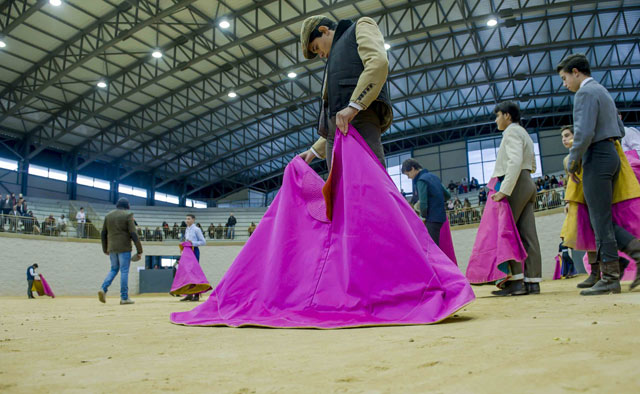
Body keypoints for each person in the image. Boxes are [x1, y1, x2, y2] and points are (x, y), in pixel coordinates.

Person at [558, 53, 640, 295]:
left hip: (597, 156)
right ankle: (624, 260)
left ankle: (611, 278)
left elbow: (582, 133)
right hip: (612, 154)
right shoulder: (602, 90)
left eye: (564, 78)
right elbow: (621, 128)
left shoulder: (584, 93)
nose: (564, 84)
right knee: (602, 219)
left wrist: (573, 163)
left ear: (576, 72)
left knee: (599, 220)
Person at [297, 15, 392, 170]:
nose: (320, 54)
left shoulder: (360, 26)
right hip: (338, 133)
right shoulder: (333, 63)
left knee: (370, 183)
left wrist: (354, 105)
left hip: (360, 118)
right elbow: (337, 119)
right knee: (340, 191)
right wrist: (313, 151)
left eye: (316, 47)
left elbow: (377, 62)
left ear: (324, 30)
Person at [559, 125, 639, 290]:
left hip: (595, 181)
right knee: (592, 227)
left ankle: (622, 261)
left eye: (568, 135)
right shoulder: (570, 157)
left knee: (599, 223)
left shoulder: (581, 150)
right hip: (588, 188)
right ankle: (603, 269)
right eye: (563, 136)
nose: (564, 139)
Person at [489, 101, 542, 296]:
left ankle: (517, 281)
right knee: (528, 234)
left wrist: (505, 189)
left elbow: (514, 160)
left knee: (509, 233)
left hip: (516, 183)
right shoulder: (523, 132)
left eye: (497, 116)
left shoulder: (510, 132)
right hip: (527, 180)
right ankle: (533, 281)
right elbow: (531, 162)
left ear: (507, 116)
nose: (496, 120)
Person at [98, 198, 143, 305]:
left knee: (113, 269)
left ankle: (103, 288)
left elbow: (103, 233)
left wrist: (105, 248)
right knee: (124, 271)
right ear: (127, 205)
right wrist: (139, 250)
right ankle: (124, 297)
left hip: (112, 248)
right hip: (124, 248)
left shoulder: (108, 215)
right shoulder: (128, 215)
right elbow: (133, 233)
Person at [401, 159, 448, 246]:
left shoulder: (421, 180)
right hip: (441, 216)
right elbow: (447, 195)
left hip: (431, 218)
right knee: (435, 244)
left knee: (432, 247)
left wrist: (423, 216)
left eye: (408, 174)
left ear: (412, 168)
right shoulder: (434, 177)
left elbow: (423, 204)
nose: (409, 177)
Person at [181, 213, 207, 302]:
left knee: (194, 273)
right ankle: (189, 294)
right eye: (186, 219)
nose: (187, 220)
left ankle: (196, 295)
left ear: (193, 220)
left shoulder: (197, 229)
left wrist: (193, 243)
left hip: (194, 251)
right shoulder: (187, 230)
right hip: (188, 251)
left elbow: (203, 242)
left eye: (188, 219)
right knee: (188, 273)